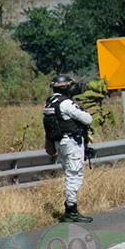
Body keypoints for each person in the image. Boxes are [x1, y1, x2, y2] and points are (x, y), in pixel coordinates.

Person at [43, 75, 94, 222]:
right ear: (65, 88)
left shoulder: (50, 102)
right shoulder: (66, 103)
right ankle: (71, 210)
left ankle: (70, 208)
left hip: (60, 143)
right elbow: (87, 119)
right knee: (74, 175)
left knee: (70, 173)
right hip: (71, 143)